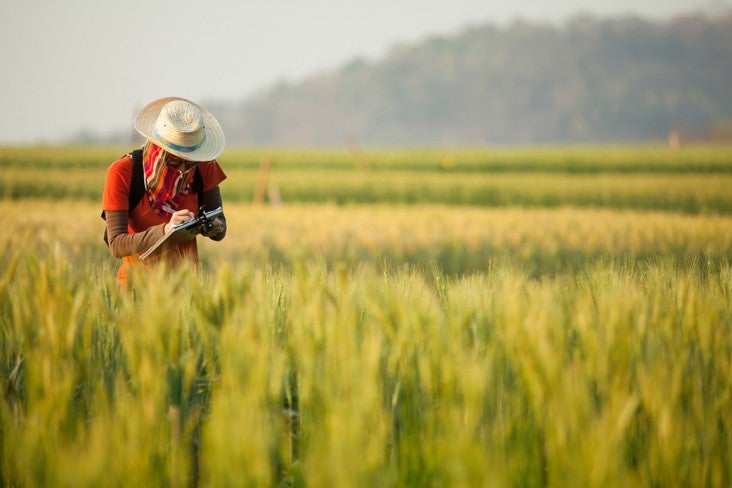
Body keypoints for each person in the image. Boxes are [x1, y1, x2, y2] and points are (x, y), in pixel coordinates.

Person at [102, 96, 227, 286]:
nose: (184, 169)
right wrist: (167, 230)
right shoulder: (122, 172)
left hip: (188, 289)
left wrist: (214, 226)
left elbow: (220, 227)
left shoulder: (204, 167)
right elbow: (117, 245)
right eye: (176, 160)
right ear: (158, 147)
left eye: (191, 161)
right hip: (136, 289)